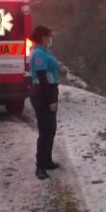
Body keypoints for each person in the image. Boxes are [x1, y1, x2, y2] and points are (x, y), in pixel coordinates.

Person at [29, 25, 60, 180]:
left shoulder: (44, 51)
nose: (50, 39)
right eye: (48, 36)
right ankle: (40, 167)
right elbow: (42, 79)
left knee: (51, 129)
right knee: (45, 131)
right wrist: (51, 101)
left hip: (48, 91)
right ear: (42, 37)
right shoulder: (38, 54)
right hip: (43, 94)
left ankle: (47, 161)